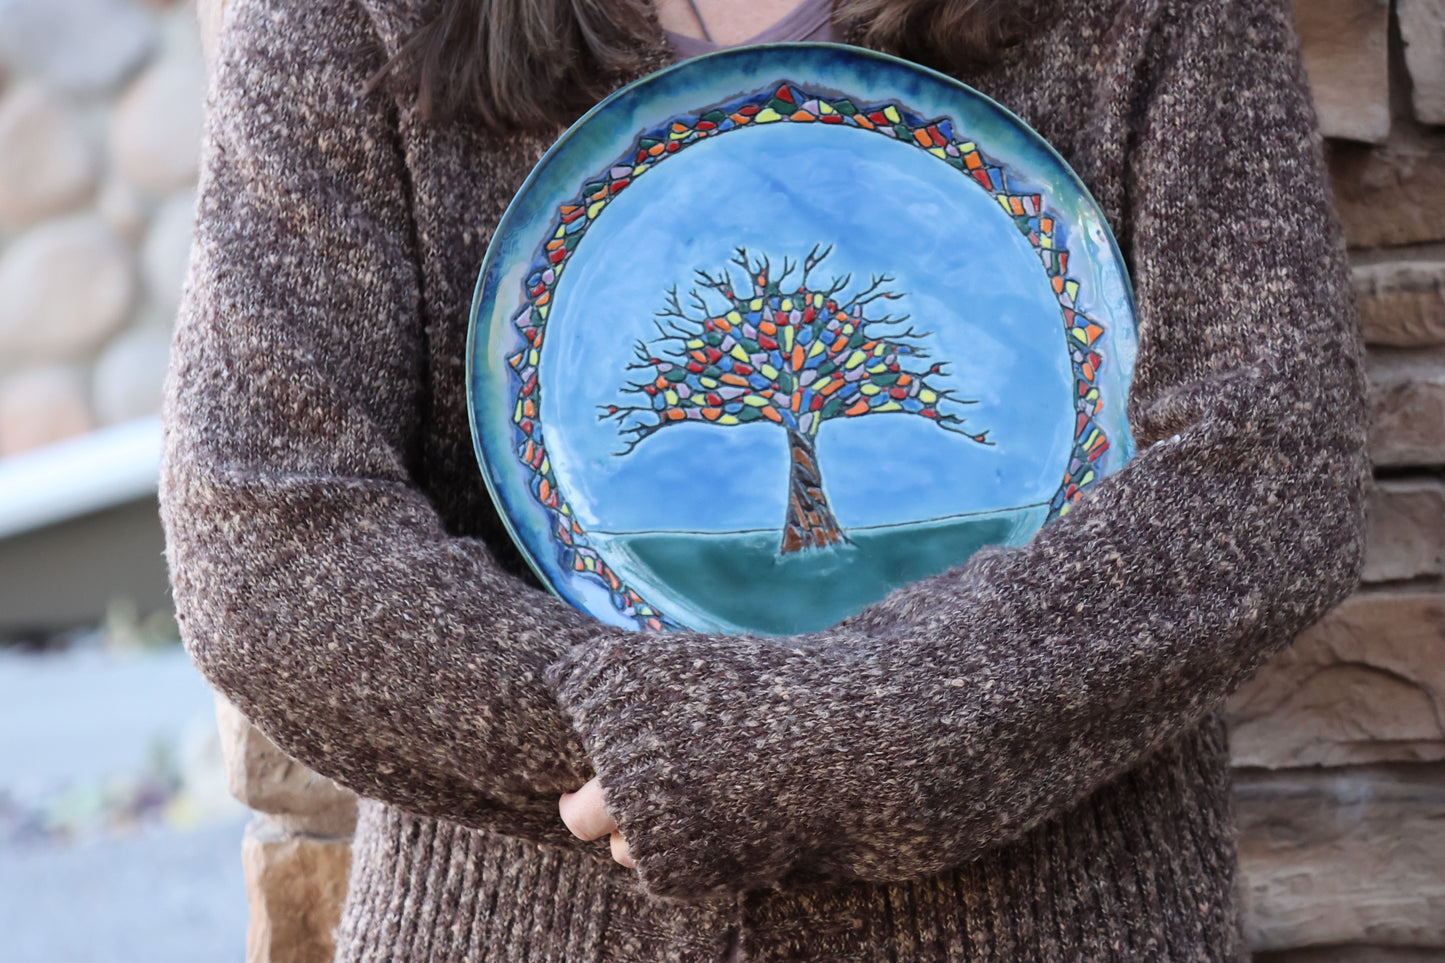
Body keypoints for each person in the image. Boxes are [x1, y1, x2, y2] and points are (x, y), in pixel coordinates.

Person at [159, 0, 1369, 959]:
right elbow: (265, 533)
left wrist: (819, 741)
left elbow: (1264, 472)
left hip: (1056, 922)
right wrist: (671, 748)